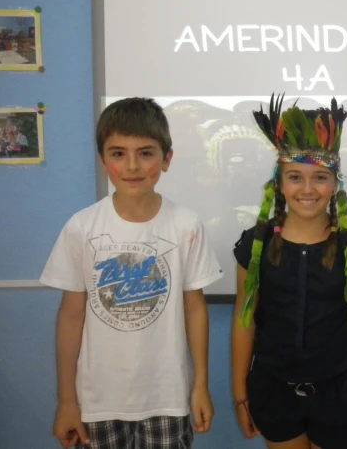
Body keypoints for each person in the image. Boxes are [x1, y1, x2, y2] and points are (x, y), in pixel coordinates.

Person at [40, 97, 224, 449]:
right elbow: (70, 316)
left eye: (146, 153)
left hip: (167, 397)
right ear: (103, 160)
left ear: (166, 159)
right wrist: (66, 401)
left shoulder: (185, 224)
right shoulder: (82, 227)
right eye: (118, 153)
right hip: (97, 401)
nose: (132, 166)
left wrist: (200, 384)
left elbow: (195, 308)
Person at [231, 94, 347, 449]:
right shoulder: (254, 246)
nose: (307, 189)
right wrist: (240, 396)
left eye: (320, 177)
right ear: (279, 183)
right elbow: (245, 319)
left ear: (335, 184)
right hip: (273, 391)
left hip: (340, 393)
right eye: (295, 177)